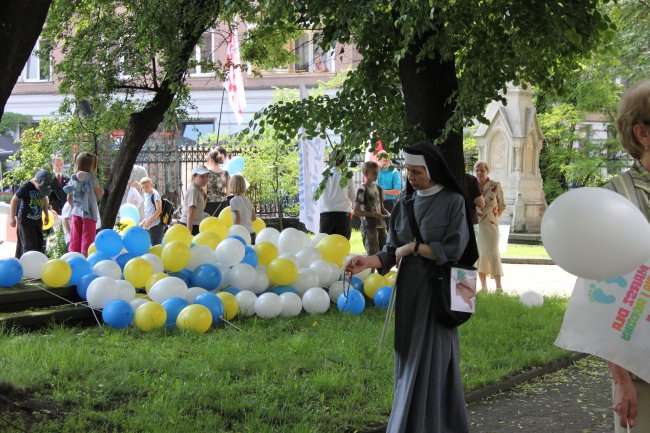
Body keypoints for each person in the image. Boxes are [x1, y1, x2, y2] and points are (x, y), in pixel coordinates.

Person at [346, 141, 478, 433]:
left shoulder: (453, 201)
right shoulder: (405, 203)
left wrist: (415, 247)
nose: (411, 177)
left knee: (434, 358)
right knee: (407, 357)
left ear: (432, 170)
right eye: (409, 170)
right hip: (410, 292)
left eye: (417, 171)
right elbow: (392, 250)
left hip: (438, 290)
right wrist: (367, 261)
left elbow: (456, 249)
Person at [602, 78, 650, 433]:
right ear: (642, 133)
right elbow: (599, 296)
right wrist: (620, 377)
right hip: (641, 366)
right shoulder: (615, 199)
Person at [474, 161, 506, 292]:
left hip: (491, 225)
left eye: (482, 170)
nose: (479, 172)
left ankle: (499, 287)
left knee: (493, 252)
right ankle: (483, 287)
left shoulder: (495, 185)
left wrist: (493, 217)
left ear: (487, 171)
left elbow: (502, 206)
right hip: (477, 225)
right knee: (480, 254)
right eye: (477, 170)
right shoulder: (472, 185)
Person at [64, 152, 104, 255]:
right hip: (89, 213)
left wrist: (74, 206)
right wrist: (101, 193)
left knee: (75, 240)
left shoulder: (73, 178)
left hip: (76, 213)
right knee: (88, 242)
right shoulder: (92, 179)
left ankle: (74, 260)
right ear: (91, 166)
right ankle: (86, 261)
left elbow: (69, 197)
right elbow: (99, 194)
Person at [9, 169, 53, 256]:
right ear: (36, 181)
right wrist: (12, 217)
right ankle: (26, 265)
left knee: (40, 243)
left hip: (37, 219)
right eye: (41, 188)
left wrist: (46, 214)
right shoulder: (26, 187)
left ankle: (38, 264)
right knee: (29, 245)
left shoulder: (44, 187)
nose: (42, 191)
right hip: (25, 220)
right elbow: (14, 200)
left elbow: (44, 199)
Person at [318, 150, 356, 239]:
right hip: (343, 215)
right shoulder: (346, 175)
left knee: (325, 245)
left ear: (330, 159)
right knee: (342, 244)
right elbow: (354, 196)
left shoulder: (322, 174)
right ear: (344, 160)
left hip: (326, 214)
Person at [354, 161, 390, 255]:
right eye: (374, 173)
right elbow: (356, 211)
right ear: (366, 173)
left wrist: (389, 214)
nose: (376, 175)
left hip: (381, 225)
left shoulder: (379, 188)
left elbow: (382, 208)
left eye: (377, 172)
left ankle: (381, 270)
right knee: (373, 254)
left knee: (384, 253)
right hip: (369, 227)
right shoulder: (362, 189)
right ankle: (371, 270)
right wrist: (373, 215)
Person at [179, 165, 209, 235]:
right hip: (190, 225)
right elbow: (191, 210)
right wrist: (189, 232)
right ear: (194, 177)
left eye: (207, 176)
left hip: (194, 224)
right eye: (202, 176)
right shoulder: (194, 190)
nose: (205, 179)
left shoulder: (199, 189)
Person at [229, 174, 257, 243]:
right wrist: (247, 222)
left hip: (241, 234)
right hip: (251, 232)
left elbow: (238, 218)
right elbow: (254, 218)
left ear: (232, 185)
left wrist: (234, 230)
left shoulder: (233, 200)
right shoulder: (247, 199)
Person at [204, 149, 230, 217]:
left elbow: (205, 192)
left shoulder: (207, 173)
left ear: (211, 159)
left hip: (209, 204)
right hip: (222, 204)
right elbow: (228, 193)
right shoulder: (226, 173)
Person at [139, 177, 164, 245]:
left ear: (152, 185)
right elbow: (150, 212)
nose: (145, 189)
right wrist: (144, 221)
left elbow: (159, 210)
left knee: (156, 246)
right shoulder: (147, 195)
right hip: (150, 225)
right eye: (143, 187)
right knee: (150, 245)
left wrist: (148, 222)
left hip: (156, 225)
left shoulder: (154, 194)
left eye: (147, 186)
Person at [463, 159, 485, 225]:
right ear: (466, 165)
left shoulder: (447, 180)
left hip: (453, 219)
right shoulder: (471, 180)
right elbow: (480, 203)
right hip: (470, 218)